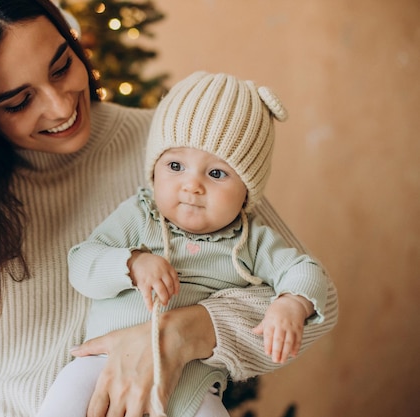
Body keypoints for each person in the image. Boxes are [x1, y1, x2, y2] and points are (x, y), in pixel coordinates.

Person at [0, 1, 338, 416]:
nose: (60, 105)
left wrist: (184, 333)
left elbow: (310, 302)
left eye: (61, 66)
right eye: (17, 100)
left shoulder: (172, 156)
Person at [35, 72, 331, 417]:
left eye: (216, 174)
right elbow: (82, 263)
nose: (192, 186)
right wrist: (131, 264)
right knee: (62, 402)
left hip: (193, 388)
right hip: (101, 364)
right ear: (155, 169)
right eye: (175, 166)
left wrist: (292, 303)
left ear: (248, 190)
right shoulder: (140, 214)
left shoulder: (251, 239)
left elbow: (304, 269)